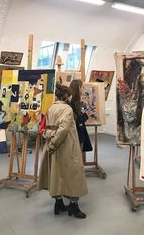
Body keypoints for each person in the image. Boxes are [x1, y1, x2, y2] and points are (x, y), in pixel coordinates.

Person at [38, 83, 88, 219]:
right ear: (66, 96)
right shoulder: (67, 109)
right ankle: (74, 206)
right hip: (66, 147)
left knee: (56, 174)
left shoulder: (50, 108)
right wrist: (53, 144)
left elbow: (43, 128)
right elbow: (63, 130)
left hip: (53, 147)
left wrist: (50, 142)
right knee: (73, 175)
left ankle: (58, 203)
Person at [69, 79, 93, 152]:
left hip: (78, 130)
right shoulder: (74, 102)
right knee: (77, 154)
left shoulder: (74, 101)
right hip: (76, 132)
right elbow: (77, 119)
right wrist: (87, 115)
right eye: (82, 87)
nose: (84, 89)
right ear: (78, 88)